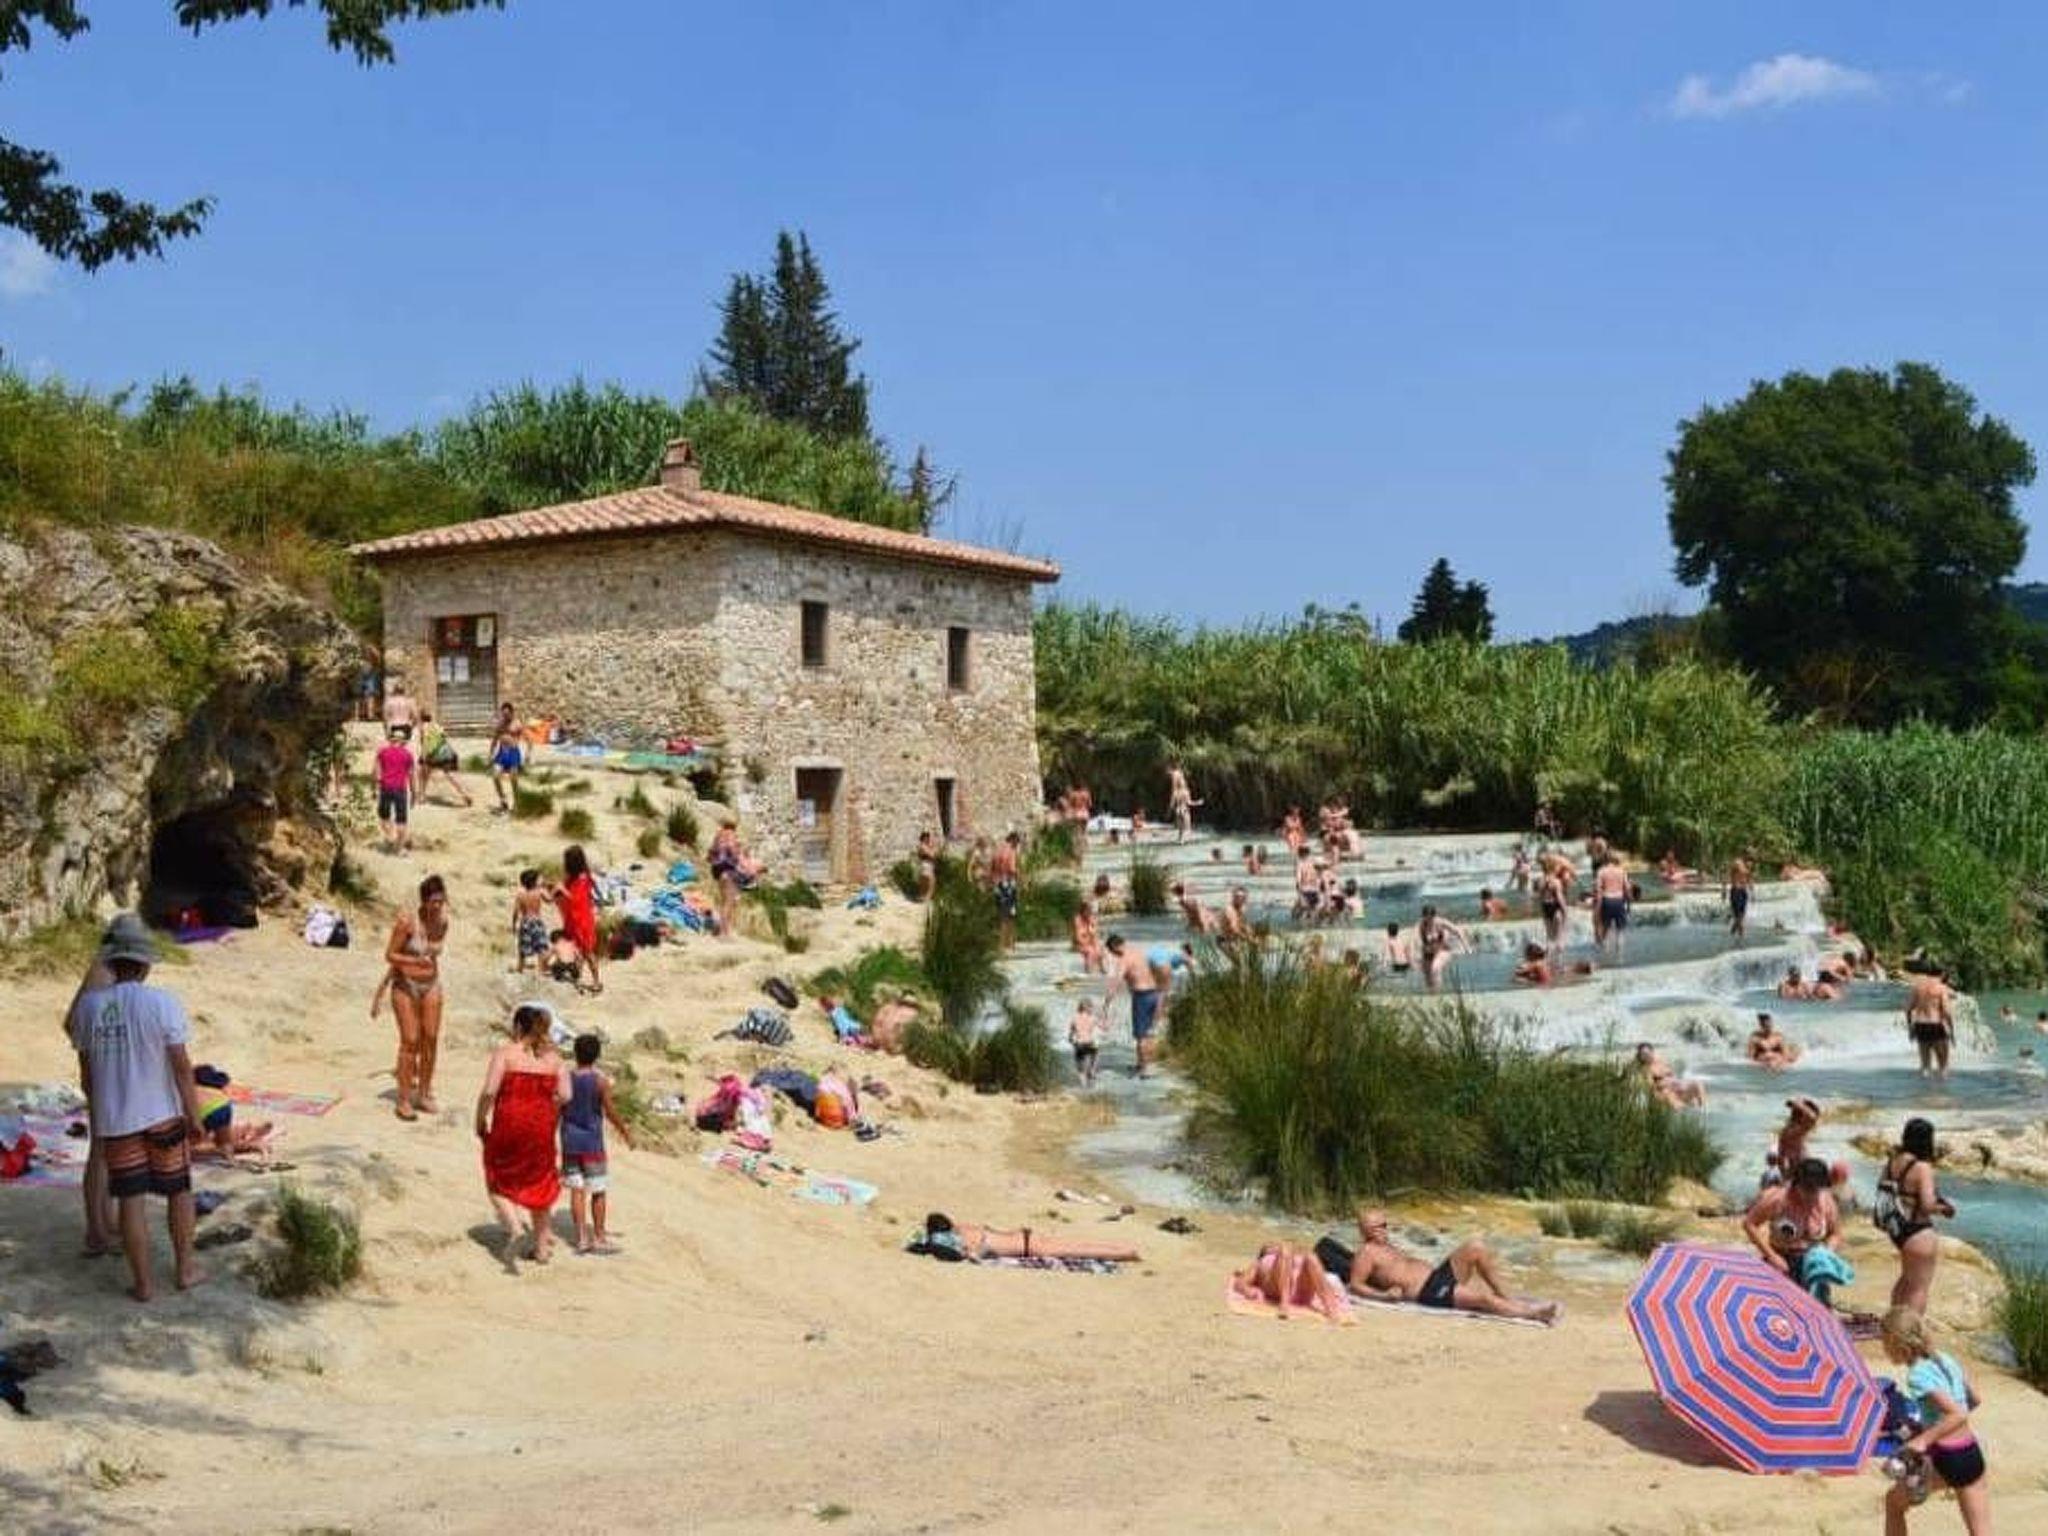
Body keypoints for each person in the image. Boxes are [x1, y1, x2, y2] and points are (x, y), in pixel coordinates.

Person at [67, 914, 208, 1302]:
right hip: (162, 1115)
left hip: (117, 1121)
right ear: (145, 964)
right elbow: (181, 1066)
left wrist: (101, 1112)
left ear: (111, 962)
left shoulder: (88, 1008)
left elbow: (87, 1074)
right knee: (179, 1191)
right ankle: (185, 1269)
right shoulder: (162, 1002)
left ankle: (143, 1284)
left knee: (130, 1201)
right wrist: (194, 1116)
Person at [1879, 1307, 1991, 1536]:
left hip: (1946, 1458)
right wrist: (1931, 1424)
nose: (1884, 1349)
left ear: (1897, 1344)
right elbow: (1974, 1400)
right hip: (1970, 1452)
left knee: (1893, 1503)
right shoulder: (1945, 1359)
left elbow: (1957, 1414)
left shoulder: (1917, 1375)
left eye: (1884, 1343)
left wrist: (1922, 1440)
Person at [1345, 1209, 1560, 1324]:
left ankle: (1507, 1298)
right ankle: (1532, 1314)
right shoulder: (1366, 1253)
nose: (1383, 1230)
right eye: (1377, 1227)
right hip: (1428, 1291)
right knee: (1482, 1299)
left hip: (1438, 1277)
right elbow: (1356, 1285)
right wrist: (1384, 1296)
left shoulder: (1386, 1246)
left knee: (1475, 1247)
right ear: (1365, 1230)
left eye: (1384, 1225)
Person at [477, 1005, 571, 1265]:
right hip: (542, 1126)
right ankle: (541, 1249)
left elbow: (489, 1091)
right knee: (541, 1181)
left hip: (509, 1122)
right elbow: (566, 1095)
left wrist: (480, 1118)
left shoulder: (506, 1054)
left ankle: (515, 1227)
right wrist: (548, 1105)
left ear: (518, 1027)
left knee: (496, 1175)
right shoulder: (555, 1060)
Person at [381, 874, 449, 1120]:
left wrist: (430, 957)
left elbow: (434, 952)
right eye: (433, 901)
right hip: (405, 984)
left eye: (441, 901)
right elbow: (390, 955)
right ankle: (403, 1099)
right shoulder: (407, 923)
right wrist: (412, 961)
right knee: (410, 1040)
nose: (437, 906)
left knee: (430, 1038)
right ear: (424, 901)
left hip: (430, 983)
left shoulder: (442, 923)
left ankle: (424, 1092)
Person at [561, 1034, 633, 1255]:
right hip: (592, 1143)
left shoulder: (566, 1078)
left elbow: (558, 1108)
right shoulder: (600, 1081)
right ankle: (599, 1237)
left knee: (577, 1190)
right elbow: (609, 1111)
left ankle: (581, 1238)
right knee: (598, 1190)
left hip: (570, 1141)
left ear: (575, 1053)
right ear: (597, 1055)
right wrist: (625, 1132)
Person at [1877, 1118, 1956, 1314]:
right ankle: (1911, 1328)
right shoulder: (1922, 1168)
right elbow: (1927, 1205)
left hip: (1898, 1229)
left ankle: (1895, 1323)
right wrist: (1945, 1209)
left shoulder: (1892, 1163)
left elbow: (1885, 1190)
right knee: (1919, 1287)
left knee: (1906, 1280)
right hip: (1918, 1231)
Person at [1742, 1157, 1841, 1294]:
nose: (1812, 1194)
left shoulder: (1826, 1201)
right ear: (1797, 1183)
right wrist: (1771, 1255)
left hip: (1813, 1263)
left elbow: (1835, 1233)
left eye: (1817, 1189)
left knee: (1814, 1304)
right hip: (1781, 1259)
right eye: (1807, 1188)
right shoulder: (1778, 1199)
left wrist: (1827, 1253)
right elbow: (1749, 1224)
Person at [917, 1212, 1139, 1264]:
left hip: (1028, 1247)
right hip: (1024, 1234)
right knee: (1080, 1244)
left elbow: (972, 1255)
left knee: (1083, 1251)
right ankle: (1123, 1247)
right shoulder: (967, 1228)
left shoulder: (966, 1242)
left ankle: (1126, 1253)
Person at [1231, 1242, 1352, 1323]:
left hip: (1300, 1291)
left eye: (1274, 1244)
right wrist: (1248, 1291)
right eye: (1270, 1245)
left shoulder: (1295, 1259)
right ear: (1264, 1252)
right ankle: (1284, 1303)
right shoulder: (1261, 1262)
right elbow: (1240, 1283)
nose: (1274, 1245)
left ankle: (1330, 1308)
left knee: (1310, 1256)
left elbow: (1319, 1277)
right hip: (1277, 1289)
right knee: (1285, 1251)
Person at [1105, 933, 1163, 1079]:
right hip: (1154, 993)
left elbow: (1116, 982)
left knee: (1141, 1035)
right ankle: (1141, 1064)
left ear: (1115, 947)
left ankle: (1145, 1070)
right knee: (1149, 1032)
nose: (1113, 955)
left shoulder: (1123, 960)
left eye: (1112, 952)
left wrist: (1107, 1002)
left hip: (1142, 997)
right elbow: (1154, 969)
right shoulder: (1138, 953)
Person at [554, 844, 603, 994]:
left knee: (588, 952)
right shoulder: (574, 876)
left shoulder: (582, 878)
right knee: (576, 949)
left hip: (582, 921)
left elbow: (576, 899)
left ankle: (596, 981)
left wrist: (562, 889)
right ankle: (578, 976)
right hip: (574, 918)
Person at [414, 710, 472, 806]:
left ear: (420, 718)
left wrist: (423, 756)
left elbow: (425, 741)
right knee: (450, 775)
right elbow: (444, 737)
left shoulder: (423, 727)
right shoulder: (436, 725)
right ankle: (464, 793)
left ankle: (422, 796)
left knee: (423, 774)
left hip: (433, 754)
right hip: (446, 751)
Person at [1905, 968, 1956, 1078]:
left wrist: (1910, 1028)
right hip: (1936, 1025)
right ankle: (1941, 1088)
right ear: (1942, 975)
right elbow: (1946, 1011)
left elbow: (1908, 1009)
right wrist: (1952, 1030)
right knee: (1943, 1066)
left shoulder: (1917, 987)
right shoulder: (1941, 988)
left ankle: (1924, 1087)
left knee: (1925, 1066)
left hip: (1920, 1025)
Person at [372, 727, 415, 855]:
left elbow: (375, 772)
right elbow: (411, 775)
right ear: (403, 741)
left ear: (391, 740)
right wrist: (414, 793)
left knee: (383, 816)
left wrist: (374, 789)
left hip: (385, 788)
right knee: (401, 820)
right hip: (400, 789)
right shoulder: (408, 755)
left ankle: (390, 837)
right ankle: (399, 848)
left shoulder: (382, 752)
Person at [1762, 1096, 1822, 1186]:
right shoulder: (1796, 1131)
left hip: (1793, 1172)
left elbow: (1782, 1155)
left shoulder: (1791, 1129)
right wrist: (1797, 1104)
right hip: (1797, 1174)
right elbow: (1812, 1118)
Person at [708, 819, 749, 940]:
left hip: (718, 871)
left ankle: (723, 930)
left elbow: (709, 855)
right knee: (729, 902)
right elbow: (732, 850)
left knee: (724, 901)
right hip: (728, 870)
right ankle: (724, 932)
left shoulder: (717, 836)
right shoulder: (731, 835)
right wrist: (740, 854)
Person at [1634, 1043, 1706, 1108]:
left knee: (1697, 1084)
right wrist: (1666, 1084)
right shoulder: (1645, 1069)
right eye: (1643, 1055)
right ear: (1641, 1057)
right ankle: (1684, 1109)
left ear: (1652, 1052)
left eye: (1647, 1053)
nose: (1646, 1056)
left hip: (1676, 1087)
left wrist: (1677, 1082)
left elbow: (1671, 1074)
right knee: (1673, 1099)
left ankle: (1703, 1109)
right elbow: (1651, 1087)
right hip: (1665, 1092)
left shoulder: (1659, 1060)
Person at [1416, 905, 1468, 992]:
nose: (1429, 920)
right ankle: (1432, 994)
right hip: (1428, 952)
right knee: (1428, 975)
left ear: (1434, 916)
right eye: (1426, 917)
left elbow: (1457, 931)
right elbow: (1416, 940)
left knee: (1435, 968)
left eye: (1430, 918)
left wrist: (1466, 945)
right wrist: (1416, 954)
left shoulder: (1441, 922)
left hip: (1443, 950)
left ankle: (1438, 992)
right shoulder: (1421, 925)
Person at [487, 703, 524, 814]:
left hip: (513, 753)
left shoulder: (517, 724)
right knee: (495, 776)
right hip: (502, 752)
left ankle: (517, 802)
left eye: (507, 714)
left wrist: (528, 755)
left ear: (512, 712)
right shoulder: (500, 724)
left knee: (513, 779)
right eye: (503, 714)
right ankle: (503, 800)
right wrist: (490, 754)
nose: (505, 716)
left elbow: (528, 739)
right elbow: (495, 739)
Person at [990, 831, 1022, 951]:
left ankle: (1001, 944)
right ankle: (1010, 943)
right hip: (1009, 885)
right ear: (1013, 840)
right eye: (1017, 843)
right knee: (1011, 915)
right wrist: (1022, 878)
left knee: (1001, 914)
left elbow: (991, 868)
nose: (1017, 846)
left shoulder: (997, 851)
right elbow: (1011, 869)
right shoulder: (1011, 851)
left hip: (998, 884)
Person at [1593, 856, 1630, 955]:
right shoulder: (1621, 871)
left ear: (1605, 861)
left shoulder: (1601, 871)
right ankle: (1620, 956)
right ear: (1615, 861)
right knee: (1620, 931)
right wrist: (1628, 902)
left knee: (1606, 930)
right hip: (1619, 900)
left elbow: (1598, 889)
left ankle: (1606, 955)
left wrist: (1598, 905)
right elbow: (1627, 888)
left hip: (1607, 900)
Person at [1068, 999, 1101, 1087]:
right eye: (1091, 1007)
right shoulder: (1093, 1018)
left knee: (1080, 1069)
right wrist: (1111, 1019)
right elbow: (1105, 1027)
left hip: (1079, 1045)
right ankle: (1092, 1070)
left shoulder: (1074, 1018)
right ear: (1088, 1008)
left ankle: (1083, 1086)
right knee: (1096, 1054)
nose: (1092, 1009)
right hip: (1090, 1044)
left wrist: (1073, 1042)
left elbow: (1070, 1036)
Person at [1537, 862, 1568, 953]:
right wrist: (1565, 910)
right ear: (1553, 869)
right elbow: (1559, 897)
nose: (1558, 869)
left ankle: (1549, 956)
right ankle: (1559, 959)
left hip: (1545, 906)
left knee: (1549, 937)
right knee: (1559, 938)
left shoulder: (1540, 881)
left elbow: (1540, 897)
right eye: (1557, 867)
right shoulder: (1556, 881)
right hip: (1555, 907)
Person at [1167, 763, 1199, 844]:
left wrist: (1170, 808)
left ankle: (1181, 839)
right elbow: (1189, 803)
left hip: (1179, 809)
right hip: (1184, 810)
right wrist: (1198, 802)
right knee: (1187, 826)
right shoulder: (1185, 791)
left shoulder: (1175, 777)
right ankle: (1184, 840)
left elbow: (1173, 791)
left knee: (1181, 827)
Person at [1071, 898, 1105, 973]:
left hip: (1090, 941)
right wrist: (1089, 936)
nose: (1089, 913)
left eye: (1090, 911)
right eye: (1087, 911)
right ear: (1082, 910)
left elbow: (1095, 933)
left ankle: (1102, 970)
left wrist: (1095, 942)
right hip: (1078, 943)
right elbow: (1078, 937)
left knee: (1100, 950)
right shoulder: (1077, 919)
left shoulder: (1092, 918)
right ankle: (1088, 972)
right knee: (1090, 951)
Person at [1725, 854, 1754, 939]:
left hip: (1743, 892)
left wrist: (1752, 892)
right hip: (1736, 891)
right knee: (1739, 918)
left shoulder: (1749, 865)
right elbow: (1728, 874)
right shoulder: (1737, 863)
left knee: (1741, 917)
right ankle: (1742, 937)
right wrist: (1723, 889)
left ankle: (1731, 935)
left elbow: (1749, 878)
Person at [915, 830, 939, 902]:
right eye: (927, 837)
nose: (928, 839)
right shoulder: (922, 846)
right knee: (930, 881)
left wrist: (933, 848)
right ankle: (926, 897)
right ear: (924, 838)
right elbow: (932, 855)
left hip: (928, 865)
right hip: (925, 864)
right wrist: (933, 849)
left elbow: (934, 853)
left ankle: (923, 896)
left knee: (927, 881)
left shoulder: (925, 846)